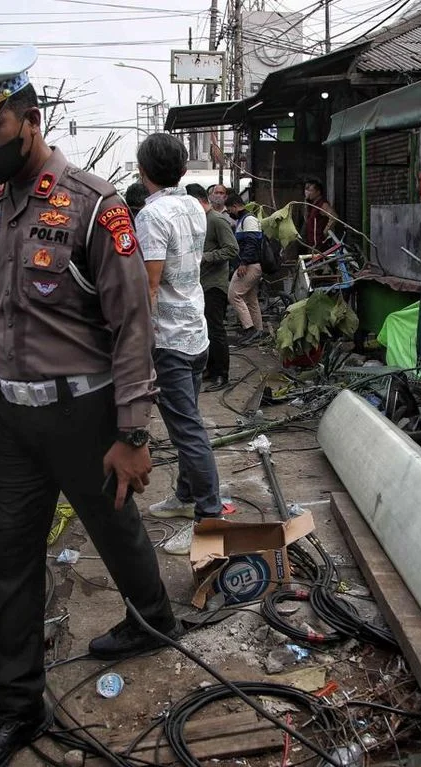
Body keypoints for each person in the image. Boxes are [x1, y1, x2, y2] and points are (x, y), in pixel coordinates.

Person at [0, 46, 177, 767]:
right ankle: (18, 707)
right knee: (12, 561)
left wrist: (133, 430)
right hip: (11, 420)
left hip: (86, 414)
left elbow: (133, 325)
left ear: (31, 121)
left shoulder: (97, 206)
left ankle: (153, 617)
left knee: (117, 527)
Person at [135, 134, 223, 557]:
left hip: (170, 338)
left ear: (142, 172)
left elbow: (149, 285)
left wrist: (135, 340)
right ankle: (187, 495)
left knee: (187, 430)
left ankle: (209, 520)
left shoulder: (152, 216)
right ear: (184, 171)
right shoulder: (193, 204)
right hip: (196, 331)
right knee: (189, 422)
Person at [185, 183, 237, 392]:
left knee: (216, 330)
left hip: (215, 285)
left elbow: (232, 249)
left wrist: (206, 257)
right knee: (205, 330)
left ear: (198, 201)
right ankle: (210, 368)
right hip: (201, 284)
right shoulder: (201, 220)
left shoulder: (216, 220)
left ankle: (222, 375)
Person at [225, 193, 265, 345]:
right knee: (250, 299)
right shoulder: (244, 220)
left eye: (229, 210)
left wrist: (244, 263)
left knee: (234, 294)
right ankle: (258, 330)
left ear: (235, 206)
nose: (230, 213)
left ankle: (250, 329)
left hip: (249, 265)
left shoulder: (249, 220)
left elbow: (251, 243)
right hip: (251, 264)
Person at [303, 177, 336, 250]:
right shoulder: (311, 204)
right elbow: (306, 218)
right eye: (306, 190)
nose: (308, 193)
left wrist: (325, 232)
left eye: (311, 190)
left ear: (318, 192)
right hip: (311, 242)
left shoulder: (322, 205)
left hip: (319, 243)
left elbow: (333, 217)